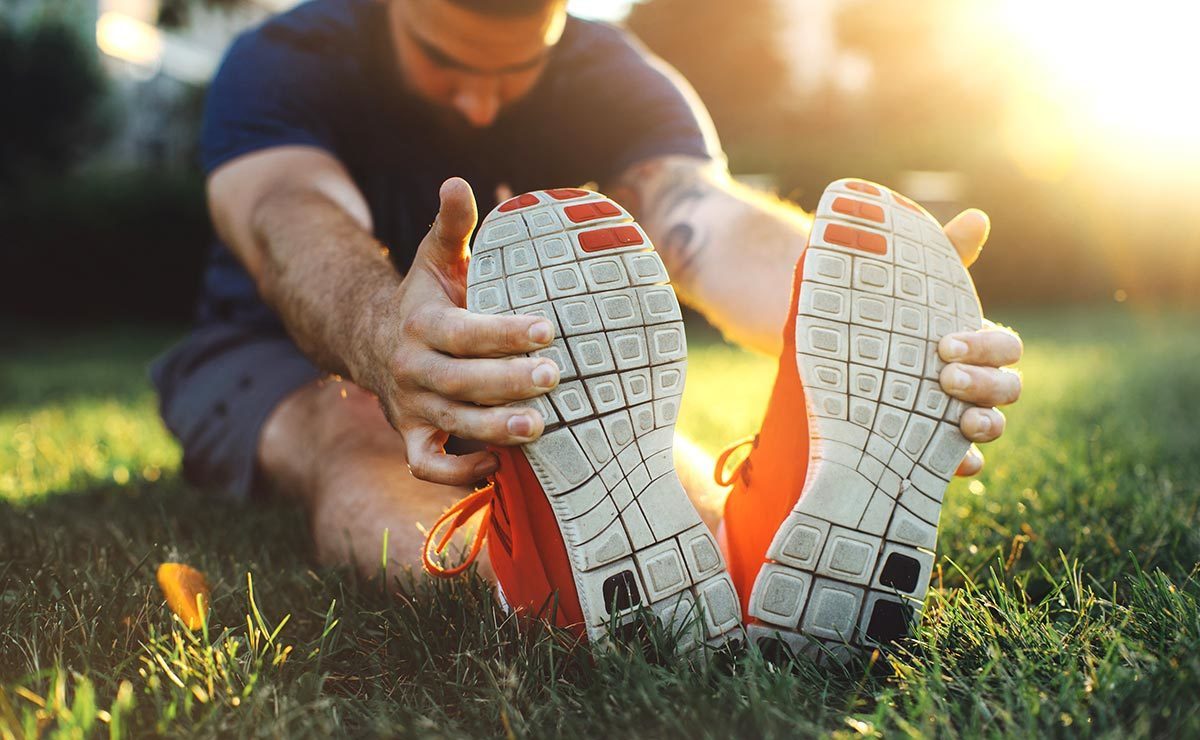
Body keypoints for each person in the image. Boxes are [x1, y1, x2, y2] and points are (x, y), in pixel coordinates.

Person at [152, 0, 1022, 648]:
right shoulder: (288, 56)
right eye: (447, 60)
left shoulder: (614, 72)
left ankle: (751, 564)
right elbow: (284, 212)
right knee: (358, 428)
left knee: (637, 465)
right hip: (275, 351)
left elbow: (704, 221)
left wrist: (856, 300)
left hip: (537, 363)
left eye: (515, 70)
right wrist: (387, 339)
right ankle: (529, 586)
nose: (484, 105)